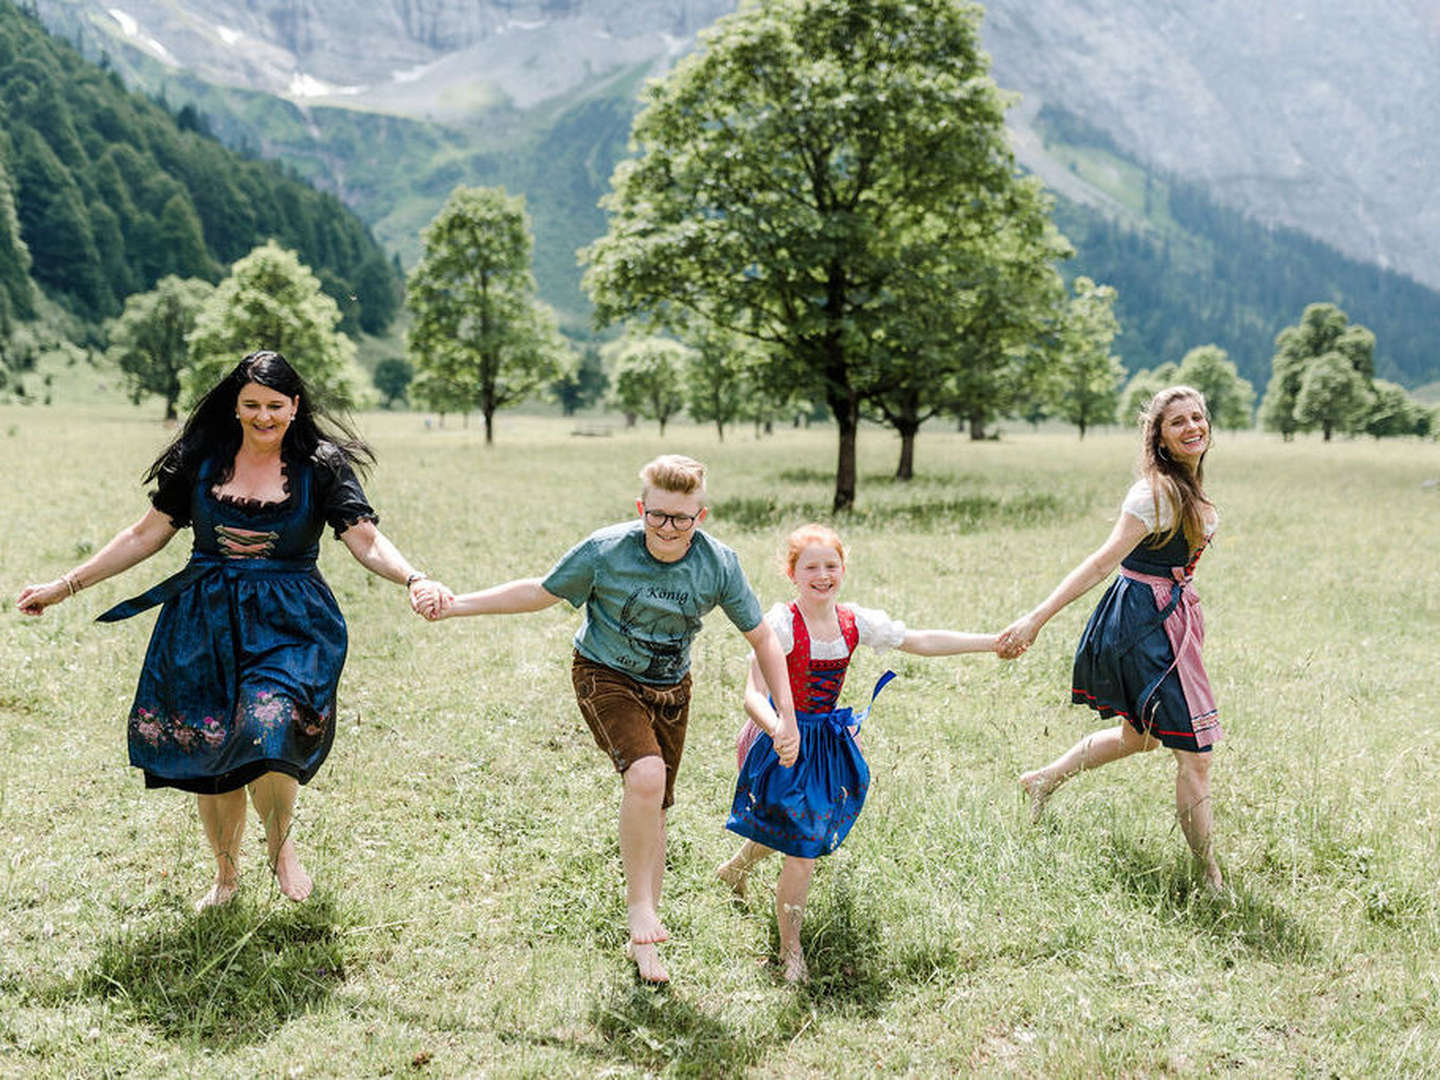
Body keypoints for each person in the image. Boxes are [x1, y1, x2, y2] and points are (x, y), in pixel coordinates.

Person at [17, 351, 444, 910]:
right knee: (212, 755)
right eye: (251, 405)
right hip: (203, 620)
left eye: (274, 405)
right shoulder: (203, 459)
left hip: (291, 621)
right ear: (234, 406)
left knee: (270, 728)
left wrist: (412, 577)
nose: (263, 416)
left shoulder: (321, 464)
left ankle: (281, 846)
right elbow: (146, 535)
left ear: (294, 406)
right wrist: (65, 585)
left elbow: (363, 538)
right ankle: (225, 876)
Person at [424, 454, 798, 984]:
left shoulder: (718, 564)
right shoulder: (606, 551)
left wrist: (787, 714)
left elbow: (762, 637)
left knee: (656, 804)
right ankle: (639, 908)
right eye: (657, 515)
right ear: (641, 507)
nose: (668, 529)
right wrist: (457, 605)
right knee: (646, 777)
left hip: (672, 688)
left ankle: (645, 942)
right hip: (604, 674)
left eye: (681, 518)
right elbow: (540, 591)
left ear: (702, 516)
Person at [714, 524, 999, 982]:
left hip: (824, 742)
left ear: (843, 569)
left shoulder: (852, 622)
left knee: (789, 830)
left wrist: (989, 642)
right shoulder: (782, 625)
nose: (823, 575)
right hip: (779, 741)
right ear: (792, 573)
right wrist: (778, 728)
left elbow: (920, 641)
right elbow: (753, 693)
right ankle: (791, 953)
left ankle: (734, 869)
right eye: (811, 566)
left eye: (831, 565)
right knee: (802, 847)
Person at [997, 386, 1224, 891]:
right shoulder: (1155, 492)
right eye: (1178, 423)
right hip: (1143, 625)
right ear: (1160, 439)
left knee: (1138, 736)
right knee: (1196, 755)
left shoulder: (1187, 485)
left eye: (1197, 418)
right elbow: (1102, 561)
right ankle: (1210, 877)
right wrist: (1036, 618)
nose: (1192, 428)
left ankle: (1042, 779)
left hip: (1169, 621)